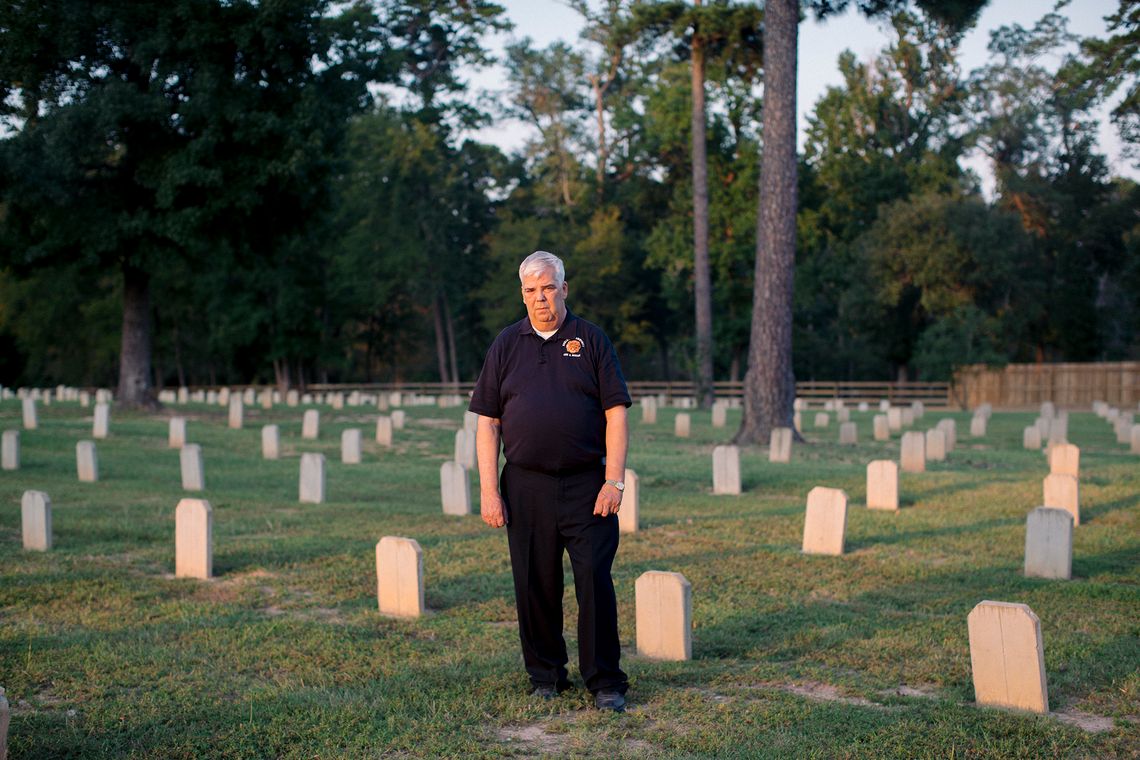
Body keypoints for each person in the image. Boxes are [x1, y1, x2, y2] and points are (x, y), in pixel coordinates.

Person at [468, 250, 631, 712]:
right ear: (523, 294)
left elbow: (615, 412)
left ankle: (604, 682)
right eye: (530, 290)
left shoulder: (591, 340)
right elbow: (488, 422)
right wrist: (488, 490)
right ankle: (545, 675)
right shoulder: (506, 344)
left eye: (547, 287)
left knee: (595, 581)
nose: (540, 298)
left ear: (564, 288)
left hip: (587, 486)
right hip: (526, 486)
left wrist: (613, 482)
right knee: (534, 583)